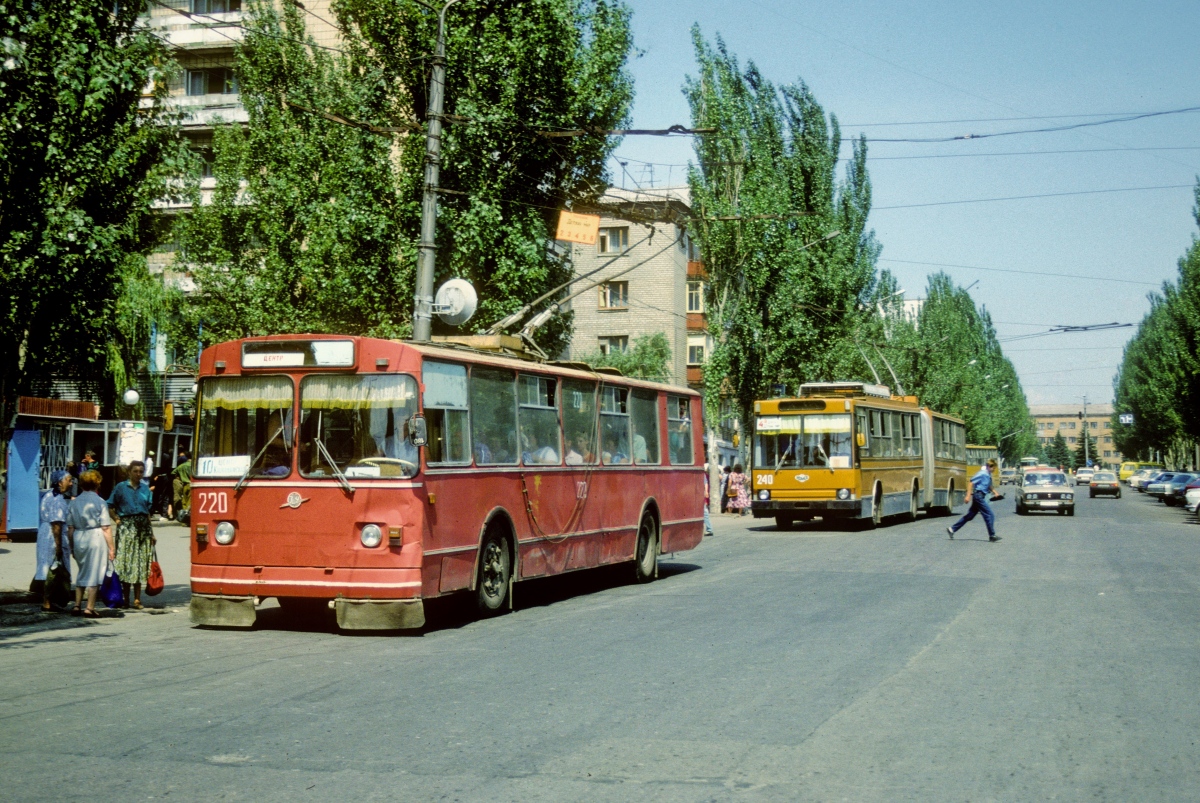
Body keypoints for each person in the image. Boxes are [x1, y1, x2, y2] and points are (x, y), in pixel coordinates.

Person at [109, 460, 156, 608]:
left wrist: (152, 533)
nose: (138, 474)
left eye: (141, 471)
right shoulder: (120, 488)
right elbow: (109, 505)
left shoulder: (146, 489)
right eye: (135, 471)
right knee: (126, 563)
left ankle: (137, 599)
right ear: (129, 472)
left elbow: (147, 513)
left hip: (143, 529)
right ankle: (125, 599)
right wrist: (116, 519)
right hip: (126, 528)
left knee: (140, 563)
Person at [67, 470, 114, 618]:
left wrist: (72, 545)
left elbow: (70, 528)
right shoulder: (100, 502)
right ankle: (90, 607)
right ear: (97, 483)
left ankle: (76, 605)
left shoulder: (74, 503)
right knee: (95, 571)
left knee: (82, 571)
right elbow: (106, 527)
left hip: (79, 536)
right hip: (95, 536)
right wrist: (112, 548)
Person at [35, 469, 73, 611]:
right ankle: (48, 601)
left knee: (48, 567)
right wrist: (58, 545)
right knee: (54, 568)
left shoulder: (49, 495)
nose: (71, 483)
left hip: (45, 533)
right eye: (68, 480)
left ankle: (49, 600)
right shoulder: (57, 500)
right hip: (52, 535)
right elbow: (56, 524)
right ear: (59, 483)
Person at [948, 457, 1001, 542]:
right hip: (978, 496)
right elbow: (971, 482)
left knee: (970, 516)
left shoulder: (988, 474)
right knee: (989, 515)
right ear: (990, 466)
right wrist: (968, 496)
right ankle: (992, 535)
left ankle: (952, 529)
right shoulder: (982, 473)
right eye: (993, 468)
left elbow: (988, 485)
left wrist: (995, 492)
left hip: (980, 496)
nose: (994, 470)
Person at [172, 451, 192, 519]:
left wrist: (179, 477)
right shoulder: (194, 466)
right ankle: (188, 517)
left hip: (184, 485)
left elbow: (173, 473)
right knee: (190, 502)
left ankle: (183, 518)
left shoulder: (181, 466)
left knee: (184, 502)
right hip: (191, 485)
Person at [703, 464, 714, 536]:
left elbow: (705, 483)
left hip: (699, 494)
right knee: (704, 511)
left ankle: (709, 529)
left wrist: (706, 491)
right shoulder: (702, 474)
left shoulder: (701, 474)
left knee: (704, 511)